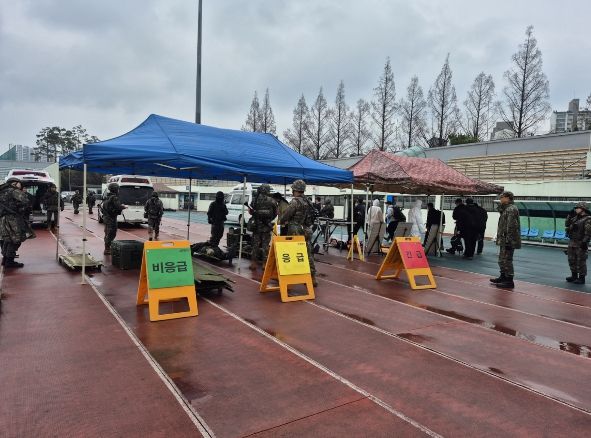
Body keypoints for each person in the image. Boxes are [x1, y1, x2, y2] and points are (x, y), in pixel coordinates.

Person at [280, 179, 317, 286]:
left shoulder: (295, 202)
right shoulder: (308, 201)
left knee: (292, 254)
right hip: (307, 230)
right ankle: (312, 277)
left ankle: (292, 277)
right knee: (308, 253)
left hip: (295, 230)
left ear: (295, 190)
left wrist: (282, 220)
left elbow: (285, 216)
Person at [0, 177, 34, 268]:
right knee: (16, 239)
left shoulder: (2, 191)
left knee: (7, 239)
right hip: (13, 219)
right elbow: (26, 200)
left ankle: (5, 260)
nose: (20, 185)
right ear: (14, 183)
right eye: (19, 183)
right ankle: (9, 261)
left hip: (3, 219)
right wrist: (21, 208)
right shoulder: (14, 191)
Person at [490, 191, 521, 289]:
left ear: (508, 198)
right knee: (502, 259)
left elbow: (511, 226)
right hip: (504, 239)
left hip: (508, 240)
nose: (500, 199)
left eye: (502, 197)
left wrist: (509, 240)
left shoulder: (511, 209)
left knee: (507, 260)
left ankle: (509, 280)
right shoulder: (506, 209)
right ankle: (503, 276)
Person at [249, 184, 277, 269]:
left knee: (255, 245)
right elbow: (275, 213)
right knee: (265, 246)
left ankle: (253, 263)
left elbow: (250, 211)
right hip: (266, 226)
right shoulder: (272, 200)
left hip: (256, 226)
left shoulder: (255, 200)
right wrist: (269, 219)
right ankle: (265, 264)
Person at [565, 202, 591, 284]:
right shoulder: (575, 218)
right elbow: (567, 224)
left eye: (577, 208)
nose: (576, 209)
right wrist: (569, 215)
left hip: (580, 242)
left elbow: (588, 232)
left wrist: (584, 242)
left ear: (583, 209)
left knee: (581, 261)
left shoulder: (588, 219)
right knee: (571, 259)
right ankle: (574, 276)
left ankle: (581, 278)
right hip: (572, 241)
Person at [101, 183, 127, 255]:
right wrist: (123, 206)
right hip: (111, 218)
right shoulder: (114, 198)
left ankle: (107, 248)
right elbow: (118, 206)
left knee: (107, 232)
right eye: (118, 189)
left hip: (106, 218)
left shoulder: (107, 197)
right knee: (112, 233)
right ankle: (107, 249)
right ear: (115, 189)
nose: (118, 190)